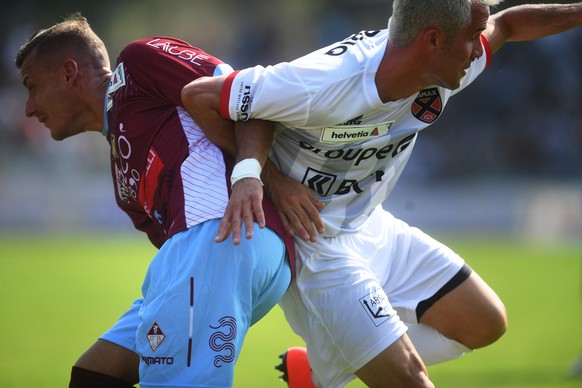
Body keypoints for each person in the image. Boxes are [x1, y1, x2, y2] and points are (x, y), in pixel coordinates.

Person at [182, 1, 582, 387]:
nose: (480, 47)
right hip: (315, 244)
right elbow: (200, 96)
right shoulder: (324, 80)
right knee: (411, 381)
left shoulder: (446, 61)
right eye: (473, 35)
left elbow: (509, 23)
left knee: (485, 321)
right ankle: (338, 362)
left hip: (370, 224)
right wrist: (267, 177)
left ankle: (322, 369)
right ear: (432, 40)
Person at [15, 13, 296, 388]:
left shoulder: (136, 64)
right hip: (201, 259)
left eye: (32, 86)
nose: (29, 108)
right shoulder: (122, 177)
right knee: (94, 374)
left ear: (69, 73)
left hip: (221, 237)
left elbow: (247, 94)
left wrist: (262, 178)